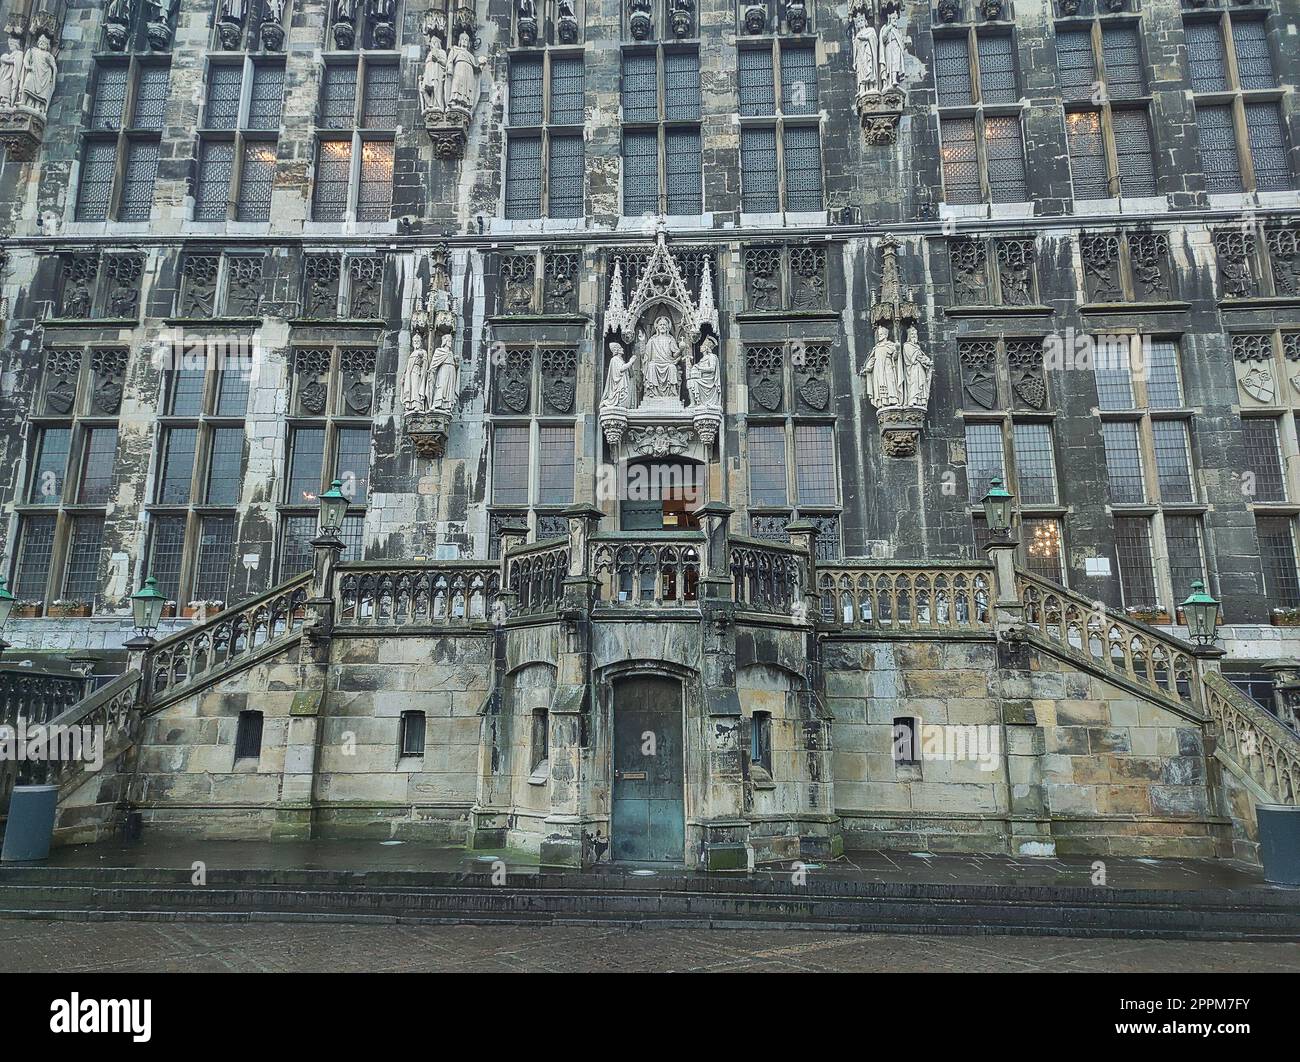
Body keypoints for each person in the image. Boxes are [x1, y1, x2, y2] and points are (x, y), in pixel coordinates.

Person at [640, 315, 684, 401]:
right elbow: (646, 355)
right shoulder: (652, 340)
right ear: (657, 327)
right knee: (651, 366)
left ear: (668, 327)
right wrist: (642, 343)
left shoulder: (670, 339)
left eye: (664, 325)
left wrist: (681, 349)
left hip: (668, 362)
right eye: (661, 325)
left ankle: (672, 393)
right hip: (655, 362)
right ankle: (652, 393)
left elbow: (675, 355)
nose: (662, 326)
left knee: (672, 368)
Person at [861, 325, 901, 408]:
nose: (880, 336)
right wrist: (868, 368)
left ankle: (892, 400)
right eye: (879, 335)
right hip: (878, 370)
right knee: (879, 384)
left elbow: (895, 357)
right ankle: (882, 401)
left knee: (890, 383)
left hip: (888, 367)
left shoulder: (891, 345)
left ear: (886, 335)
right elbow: (872, 359)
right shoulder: (876, 347)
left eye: (881, 334)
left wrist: (897, 349)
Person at [20, 34, 55, 117]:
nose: (42, 43)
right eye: (41, 42)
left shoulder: (48, 55)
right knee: (27, 84)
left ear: (47, 46)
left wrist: (52, 74)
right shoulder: (32, 50)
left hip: (44, 75)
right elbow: (26, 59)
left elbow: (53, 66)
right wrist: (27, 66)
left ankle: (37, 106)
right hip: (33, 71)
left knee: (41, 92)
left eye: (45, 43)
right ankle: (23, 101)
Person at [427, 332, 458, 413]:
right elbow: (434, 362)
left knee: (449, 389)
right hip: (443, 369)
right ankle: (436, 404)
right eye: (449, 341)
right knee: (441, 386)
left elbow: (456, 366)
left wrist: (456, 363)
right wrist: (431, 370)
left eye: (451, 341)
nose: (450, 343)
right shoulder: (439, 351)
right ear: (444, 342)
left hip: (451, 371)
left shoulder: (451, 353)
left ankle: (447, 406)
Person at [601, 341, 638, 408]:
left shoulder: (620, 360)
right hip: (619, 385)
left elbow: (627, 371)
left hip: (622, 382)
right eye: (620, 348)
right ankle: (607, 402)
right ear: (617, 350)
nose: (623, 349)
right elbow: (621, 369)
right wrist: (631, 361)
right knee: (622, 399)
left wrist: (630, 364)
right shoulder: (615, 359)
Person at [0, 38, 22, 111]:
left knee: (6, 86)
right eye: (10, 44)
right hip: (4, 74)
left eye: (12, 44)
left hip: (10, 75)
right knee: (2, 86)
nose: (10, 46)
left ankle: (6, 102)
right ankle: (2, 102)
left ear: (16, 45)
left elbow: (17, 62)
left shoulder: (19, 53)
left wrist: (6, 60)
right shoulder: (9, 54)